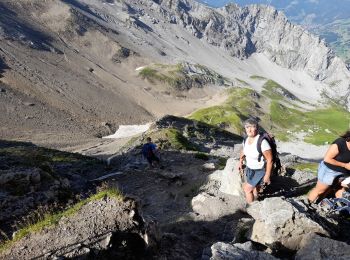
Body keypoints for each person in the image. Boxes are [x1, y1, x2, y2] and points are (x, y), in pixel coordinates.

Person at [308, 130, 350, 203]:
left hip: (345, 173)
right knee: (320, 191)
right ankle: (307, 206)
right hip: (329, 170)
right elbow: (327, 159)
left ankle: (342, 210)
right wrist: (345, 165)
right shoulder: (339, 144)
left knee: (340, 189)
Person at [238, 118, 273, 204]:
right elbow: (244, 150)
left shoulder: (262, 142)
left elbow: (270, 159)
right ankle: (256, 200)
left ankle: (251, 208)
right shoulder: (246, 139)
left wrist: (267, 175)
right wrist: (240, 161)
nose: (249, 129)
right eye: (247, 127)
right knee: (254, 188)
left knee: (246, 189)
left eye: (252, 127)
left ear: (257, 128)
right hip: (250, 168)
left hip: (260, 170)